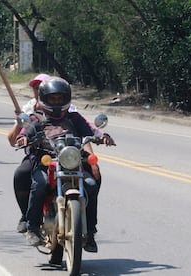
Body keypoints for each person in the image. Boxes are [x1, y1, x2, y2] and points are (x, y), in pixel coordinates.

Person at [15, 76, 115, 253]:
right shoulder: (37, 117)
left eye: (60, 98)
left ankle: (90, 232)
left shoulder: (74, 118)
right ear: (44, 99)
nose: (56, 102)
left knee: (91, 184)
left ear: (66, 98)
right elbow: (26, 130)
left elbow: (90, 129)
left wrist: (101, 135)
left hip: (73, 158)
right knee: (40, 184)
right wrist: (23, 137)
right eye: (53, 98)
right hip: (47, 159)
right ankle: (32, 228)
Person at [7, 73, 50, 234]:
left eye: (42, 88)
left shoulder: (66, 106)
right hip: (39, 154)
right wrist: (20, 123)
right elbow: (12, 140)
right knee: (21, 175)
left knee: (90, 178)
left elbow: (83, 129)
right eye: (36, 88)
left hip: (64, 154)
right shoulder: (30, 109)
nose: (38, 91)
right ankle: (27, 216)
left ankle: (86, 227)